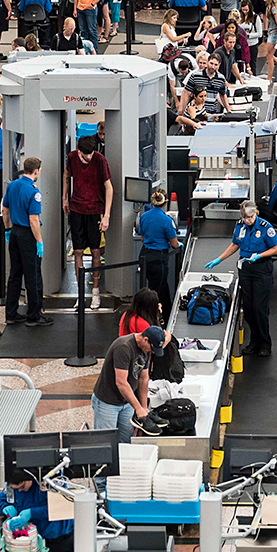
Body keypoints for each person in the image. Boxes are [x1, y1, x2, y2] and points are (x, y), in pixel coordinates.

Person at [207, 201, 277, 356]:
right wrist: (219, 259)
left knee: (259, 308)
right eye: (245, 218)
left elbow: (275, 249)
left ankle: (264, 343)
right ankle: (254, 342)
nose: (247, 220)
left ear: (256, 213)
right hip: (246, 269)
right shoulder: (240, 226)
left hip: (261, 269)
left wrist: (259, 255)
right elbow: (235, 244)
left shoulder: (265, 227)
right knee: (248, 308)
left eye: (250, 217)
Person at [91, 326, 165, 443]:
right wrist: (138, 408)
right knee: (106, 441)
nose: (152, 352)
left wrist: (144, 407)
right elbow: (121, 383)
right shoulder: (123, 347)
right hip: (108, 402)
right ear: (145, 339)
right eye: (152, 348)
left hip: (127, 401)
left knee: (126, 439)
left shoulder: (145, 349)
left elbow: (143, 378)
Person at [2, 157, 52, 327]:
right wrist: (39, 241)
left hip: (14, 232)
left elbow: (5, 210)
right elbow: (33, 220)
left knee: (15, 275)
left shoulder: (12, 185)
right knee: (33, 276)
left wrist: (7, 230)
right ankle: (33, 316)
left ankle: (11, 314)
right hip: (27, 236)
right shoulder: (33, 192)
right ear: (36, 170)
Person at [65, 134, 113, 294]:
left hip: (95, 210)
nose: (89, 157)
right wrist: (64, 198)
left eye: (91, 153)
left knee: (96, 251)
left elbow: (109, 187)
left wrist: (106, 216)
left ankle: (95, 291)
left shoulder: (100, 160)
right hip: (77, 209)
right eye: (86, 155)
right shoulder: (72, 157)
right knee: (78, 251)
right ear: (79, 152)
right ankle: (80, 292)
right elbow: (66, 175)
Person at [137, 188, 180, 318]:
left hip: (144, 256)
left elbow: (143, 238)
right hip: (158, 259)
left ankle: (167, 314)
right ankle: (150, 320)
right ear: (165, 202)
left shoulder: (144, 216)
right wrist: (179, 245)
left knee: (161, 287)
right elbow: (174, 244)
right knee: (156, 294)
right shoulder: (167, 220)